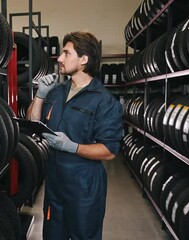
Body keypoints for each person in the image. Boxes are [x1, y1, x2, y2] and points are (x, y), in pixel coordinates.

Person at [26, 31, 123, 240]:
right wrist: (40, 95)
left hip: (84, 187)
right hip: (55, 183)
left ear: (84, 59)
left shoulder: (104, 101)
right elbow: (33, 122)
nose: (59, 58)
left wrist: (73, 147)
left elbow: (109, 150)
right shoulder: (56, 91)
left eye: (66, 53)